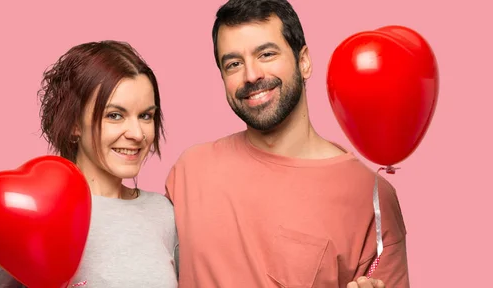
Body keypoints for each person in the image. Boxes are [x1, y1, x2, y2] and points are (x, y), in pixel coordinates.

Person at [164, 0, 409, 287]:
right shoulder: (189, 172)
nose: (251, 75)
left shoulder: (373, 197)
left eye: (266, 54)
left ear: (303, 61)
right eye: (233, 64)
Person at [0, 40, 179, 288]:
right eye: (114, 115)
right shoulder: (31, 210)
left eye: (145, 115)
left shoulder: (165, 214)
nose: (137, 133)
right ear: (74, 124)